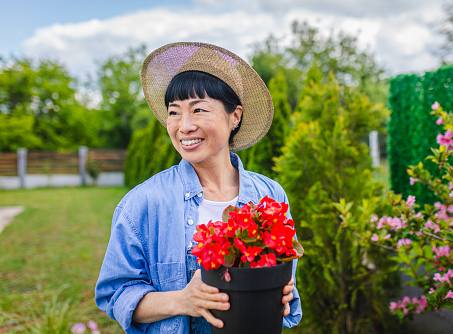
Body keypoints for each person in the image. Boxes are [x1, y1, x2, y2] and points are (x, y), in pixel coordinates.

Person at [95, 42, 302, 333]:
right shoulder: (143, 201)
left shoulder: (270, 196)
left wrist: (281, 293)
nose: (184, 126)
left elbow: (288, 293)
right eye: (174, 112)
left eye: (199, 110)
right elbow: (115, 294)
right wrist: (182, 300)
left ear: (235, 116)